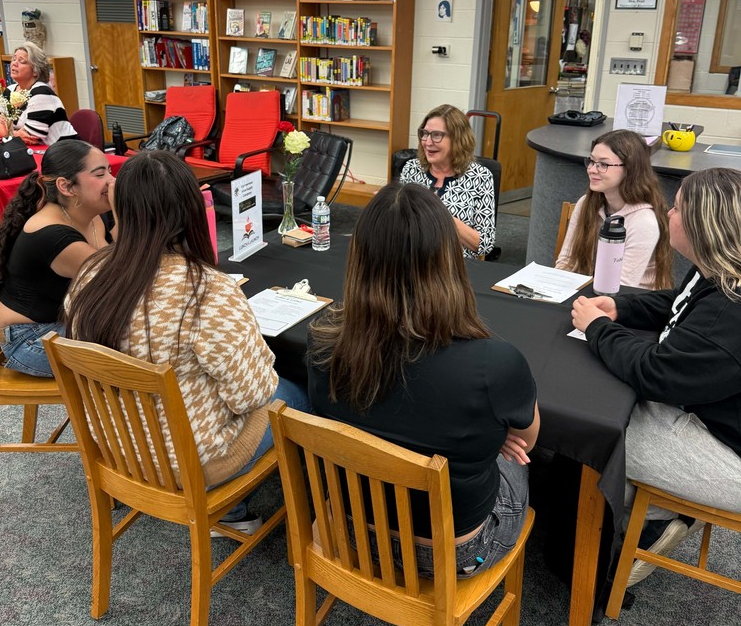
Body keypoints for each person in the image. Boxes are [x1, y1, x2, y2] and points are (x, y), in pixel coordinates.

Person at [64, 150, 309, 531]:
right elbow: (253, 395)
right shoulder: (205, 290)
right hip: (192, 463)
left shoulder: (90, 274)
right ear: (191, 209)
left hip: (117, 449)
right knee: (299, 396)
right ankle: (258, 513)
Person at [308, 183, 540, 578]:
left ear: (359, 257)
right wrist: (487, 431)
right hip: (451, 556)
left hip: (348, 531)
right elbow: (526, 439)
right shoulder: (497, 363)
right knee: (518, 459)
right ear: (448, 259)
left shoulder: (322, 339)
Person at [571, 168, 741, 585]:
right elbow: (678, 303)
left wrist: (598, 329)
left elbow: (654, 373)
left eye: (678, 208)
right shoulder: (718, 270)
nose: (669, 212)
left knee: (595, 432)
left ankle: (636, 530)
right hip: (708, 418)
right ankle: (651, 515)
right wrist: (622, 308)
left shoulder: (729, 312)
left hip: (726, 455)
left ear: (704, 225)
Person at [0, 140, 114, 377]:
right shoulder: (55, 236)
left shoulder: (88, 214)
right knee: (131, 351)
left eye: (110, 171)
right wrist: (127, 214)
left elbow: (117, 252)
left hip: (62, 323)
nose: (112, 181)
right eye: (100, 174)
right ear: (66, 186)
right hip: (30, 339)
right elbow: (120, 279)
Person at [556, 129, 672, 289]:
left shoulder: (644, 222)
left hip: (629, 304)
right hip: (591, 293)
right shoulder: (586, 203)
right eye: (591, 161)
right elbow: (566, 262)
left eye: (603, 164)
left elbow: (620, 287)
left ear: (629, 169)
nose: (592, 169)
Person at [399, 103, 496, 258]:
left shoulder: (480, 177)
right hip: (411, 260)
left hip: (454, 266)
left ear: (458, 139)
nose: (428, 142)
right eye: (424, 133)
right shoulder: (412, 168)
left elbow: (484, 244)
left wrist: (440, 214)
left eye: (437, 135)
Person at [0, 43, 77, 146]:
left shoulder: (41, 91)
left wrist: (8, 130)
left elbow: (32, 137)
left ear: (35, 71)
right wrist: (15, 133)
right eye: (14, 59)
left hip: (64, 151)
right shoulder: (9, 91)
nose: (14, 63)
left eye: (22, 61)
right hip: (30, 150)